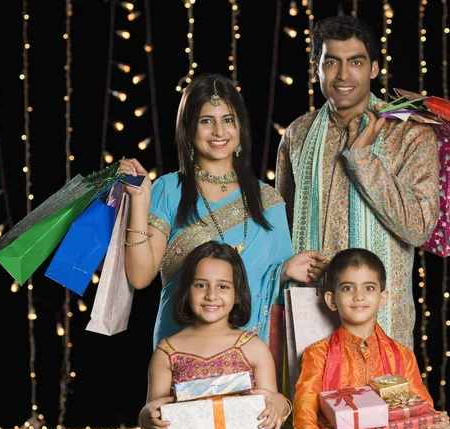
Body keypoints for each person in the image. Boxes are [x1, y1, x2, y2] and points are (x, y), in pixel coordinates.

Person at [118, 72, 326, 350]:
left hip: (248, 352)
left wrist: (285, 270)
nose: (219, 132)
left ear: (240, 128)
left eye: (228, 120)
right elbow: (140, 277)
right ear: (188, 129)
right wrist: (141, 201)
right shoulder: (167, 190)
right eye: (206, 121)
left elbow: (274, 298)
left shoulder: (268, 200)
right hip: (180, 347)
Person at [275, 15, 440, 351]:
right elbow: (281, 227)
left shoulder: (410, 133)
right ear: (315, 68)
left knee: (383, 404)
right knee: (309, 402)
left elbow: (420, 228)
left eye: (356, 62)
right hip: (311, 312)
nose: (344, 75)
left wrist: (363, 161)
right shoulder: (298, 134)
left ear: (374, 68)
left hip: (383, 318)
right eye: (331, 62)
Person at [292, 248, 450, 429]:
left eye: (369, 288)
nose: (359, 296)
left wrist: (439, 424)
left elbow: (422, 407)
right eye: (348, 288)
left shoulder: (401, 355)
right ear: (331, 300)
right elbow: (305, 405)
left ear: (382, 298)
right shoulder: (318, 354)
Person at [141, 241, 292, 429]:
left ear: (238, 293)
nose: (211, 295)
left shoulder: (254, 348)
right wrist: (147, 417)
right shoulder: (167, 352)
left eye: (223, 286)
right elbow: (151, 414)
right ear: (187, 290)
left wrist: (280, 404)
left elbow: (275, 404)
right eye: (201, 285)